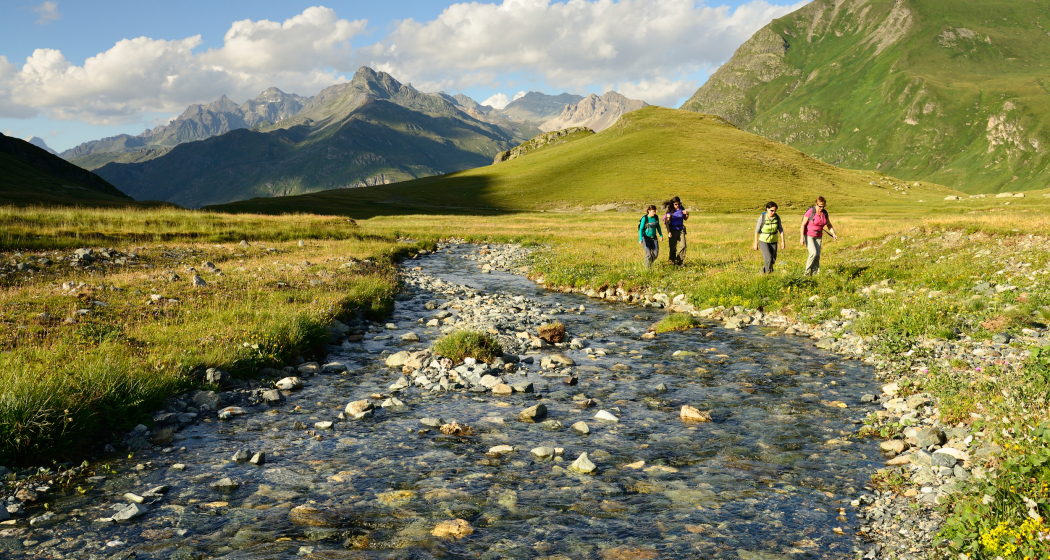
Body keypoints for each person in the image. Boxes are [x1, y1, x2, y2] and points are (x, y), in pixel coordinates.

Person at [799, 196, 838, 276]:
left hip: (818, 236)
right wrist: (802, 237)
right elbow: (803, 224)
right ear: (816, 204)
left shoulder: (825, 213)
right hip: (809, 235)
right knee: (813, 253)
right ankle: (806, 272)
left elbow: (828, 224)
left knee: (817, 255)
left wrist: (833, 233)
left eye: (823, 206)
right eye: (820, 206)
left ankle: (815, 274)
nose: (821, 208)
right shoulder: (810, 212)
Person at [753, 201, 785, 274]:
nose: (773, 212)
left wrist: (783, 242)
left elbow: (781, 230)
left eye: (775, 211)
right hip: (763, 241)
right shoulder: (762, 218)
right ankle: (768, 275)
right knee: (768, 258)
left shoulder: (777, 217)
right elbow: (756, 231)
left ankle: (762, 273)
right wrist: (756, 243)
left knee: (773, 260)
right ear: (767, 209)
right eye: (771, 210)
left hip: (773, 241)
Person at [662, 196, 689, 266]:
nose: (677, 205)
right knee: (673, 248)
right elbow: (667, 222)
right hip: (673, 230)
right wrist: (669, 232)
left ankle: (679, 261)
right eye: (676, 204)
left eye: (678, 204)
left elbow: (685, 218)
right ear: (673, 204)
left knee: (683, 246)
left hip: (681, 230)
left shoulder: (681, 208)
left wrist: (687, 214)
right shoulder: (670, 211)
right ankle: (672, 262)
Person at [638, 205, 663, 269]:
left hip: (654, 238)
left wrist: (661, 235)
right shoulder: (645, 218)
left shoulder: (656, 217)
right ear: (649, 211)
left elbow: (658, 226)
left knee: (655, 253)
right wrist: (640, 239)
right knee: (648, 254)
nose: (654, 213)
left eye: (655, 211)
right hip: (645, 238)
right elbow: (641, 229)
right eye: (653, 211)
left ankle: (648, 263)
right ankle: (647, 268)